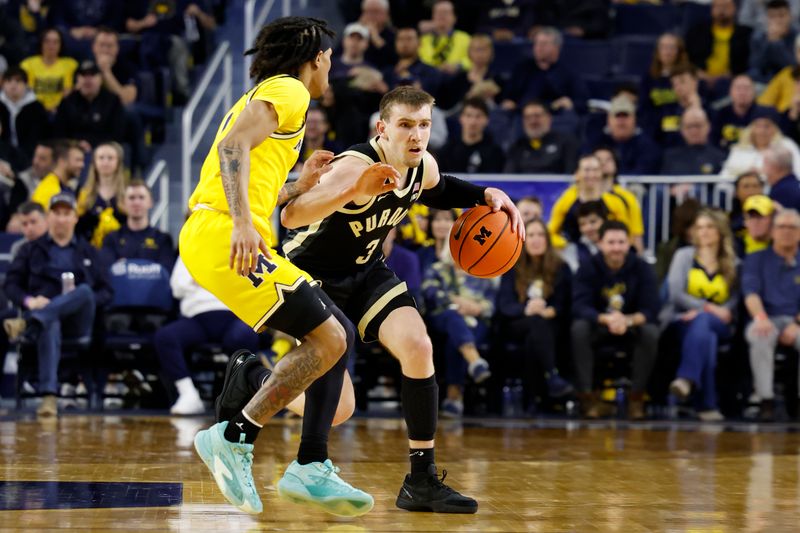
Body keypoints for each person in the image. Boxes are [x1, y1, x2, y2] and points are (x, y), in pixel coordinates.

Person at [277, 85, 523, 512]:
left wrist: (484, 195)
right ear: (383, 128)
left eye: (423, 125)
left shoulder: (421, 165)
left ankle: (421, 480)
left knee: (418, 345)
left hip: (366, 268)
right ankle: (260, 387)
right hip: (309, 273)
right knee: (341, 410)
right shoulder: (354, 166)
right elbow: (291, 215)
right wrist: (354, 192)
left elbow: (439, 188)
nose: (416, 135)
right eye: (406, 125)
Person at [182, 17, 379, 516]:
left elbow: (254, 176)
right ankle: (235, 436)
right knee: (333, 337)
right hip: (224, 232)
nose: (331, 64)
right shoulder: (291, 90)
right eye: (329, 56)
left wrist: (300, 185)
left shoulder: (273, 98)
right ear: (315, 57)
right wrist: (244, 224)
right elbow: (231, 150)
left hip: (221, 231)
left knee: (334, 335)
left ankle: (309, 461)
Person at [2, 192, 112, 417]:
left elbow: (107, 292)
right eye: (57, 213)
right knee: (49, 321)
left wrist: (80, 300)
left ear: (75, 218)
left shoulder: (89, 251)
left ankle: (28, 323)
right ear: (49, 217)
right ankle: (49, 397)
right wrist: (29, 301)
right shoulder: (30, 250)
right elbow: (11, 285)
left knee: (84, 291)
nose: (61, 218)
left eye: (66, 213)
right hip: (47, 319)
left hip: (79, 321)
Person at [571, 221, 660, 420]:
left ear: (629, 243)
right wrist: (607, 319)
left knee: (651, 332)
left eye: (621, 242)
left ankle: (637, 399)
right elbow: (579, 306)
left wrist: (626, 321)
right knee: (579, 329)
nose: (617, 248)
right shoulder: (588, 267)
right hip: (599, 325)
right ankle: (587, 398)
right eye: (611, 242)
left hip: (630, 327)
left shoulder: (642, 267)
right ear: (601, 243)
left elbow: (651, 308)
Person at [155, 255, 260, 415]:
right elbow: (177, 287)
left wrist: (202, 279)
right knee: (165, 337)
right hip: (197, 317)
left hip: (234, 314)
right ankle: (188, 394)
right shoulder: (189, 249)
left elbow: (253, 284)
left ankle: (236, 396)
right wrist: (219, 280)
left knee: (246, 336)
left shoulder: (241, 247)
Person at [664, 209, 738, 422]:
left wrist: (714, 311)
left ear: (720, 231)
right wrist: (706, 308)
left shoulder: (733, 263)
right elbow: (675, 292)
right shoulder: (683, 256)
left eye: (709, 227)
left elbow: (734, 299)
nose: (704, 232)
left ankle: (687, 379)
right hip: (683, 320)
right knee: (706, 336)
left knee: (705, 324)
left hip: (721, 322)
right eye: (699, 227)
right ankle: (706, 405)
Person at [497, 217, 573, 408]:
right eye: (530, 235)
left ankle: (533, 398)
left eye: (540, 235)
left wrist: (551, 310)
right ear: (523, 239)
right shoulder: (511, 266)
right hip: (517, 322)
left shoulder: (561, 267)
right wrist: (527, 309)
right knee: (535, 323)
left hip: (549, 322)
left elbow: (566, 302)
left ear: (547, 239)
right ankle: (551, 378)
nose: (536, 239)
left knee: (535, 336)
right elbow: (504, 304)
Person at [742, 208, 800, 421]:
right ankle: (765, 400)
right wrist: (761, 318)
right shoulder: (756, 259)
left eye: (792, 227)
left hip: (796, 320)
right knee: (760, 334)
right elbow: (751, 294)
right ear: (773, 231)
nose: (786, 232)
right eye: (781, 227)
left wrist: (796, 323)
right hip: (766, 317)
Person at [547, 154, 632, 249]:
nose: (591, 175)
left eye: (595, 170)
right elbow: (550, 232)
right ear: (577, 174)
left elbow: (626, 232)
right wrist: (565, 244)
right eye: (587, 170)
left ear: (601, 173)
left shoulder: (615, 202)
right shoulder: (565, 201)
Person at [100, 180, 174, 272]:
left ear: (150, 202)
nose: (136, 202)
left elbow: (166, 273)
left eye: (141, 197)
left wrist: (125, 266)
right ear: (123, 203)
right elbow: (107, 271)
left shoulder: (163, 240)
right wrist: (150, 268)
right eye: (131, 198)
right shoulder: (112, 239)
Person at [53, 60, 126, 149]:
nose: (87, 79)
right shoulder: (67, 102)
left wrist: (93, 144)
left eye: (92, 75)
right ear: (77, 79)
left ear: (101, 78)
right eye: (83, 75)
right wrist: (76, 144)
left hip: (104, 150)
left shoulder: (113, 101)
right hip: (72, 150)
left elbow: (117, 134)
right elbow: (59, 134)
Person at [685, 0, 752, 90]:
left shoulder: (746, 34)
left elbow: (748, 62)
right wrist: (700, 74)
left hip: (733, 81)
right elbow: (686, 57)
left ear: (735, 9)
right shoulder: (697, 32)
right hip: (699, 79)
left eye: (726, 6)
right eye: (718, 6)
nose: (722, 10)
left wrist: (731, 74)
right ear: (712, 9)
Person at [720, 107, 800, 179]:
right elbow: (724, 177)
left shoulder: (786, 146)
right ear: (751, 128)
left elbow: (798, 173)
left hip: (778, 193)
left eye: (767, 126)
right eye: (757, 125)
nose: (761, 131)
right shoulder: (739, 149)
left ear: (775, 129)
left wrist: (763, 175)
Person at [503, 100, 577, 174]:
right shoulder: (517, 147)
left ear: (549, 118)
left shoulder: (566, 143)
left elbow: (570, 175)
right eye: (528, 117)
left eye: (537, 116)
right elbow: (509, 178)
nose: (533, 121)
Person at [76, 142, 127, 248]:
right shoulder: (83, 193)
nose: (105, 162)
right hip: (90, 251)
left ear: (118, 162)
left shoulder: (127, 194)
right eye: (101, 158)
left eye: (110, 158)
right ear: (94, 162)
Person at [437, 97, 504, 173]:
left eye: (478, 116)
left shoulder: (495, 153)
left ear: (486, 120)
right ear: (461, 118)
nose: (473, 122)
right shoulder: (447, 151)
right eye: (468, 116)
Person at [19, 28, 78, 112]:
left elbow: (71, 91)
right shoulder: (27, 64)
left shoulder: (71, 64)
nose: (51, 45)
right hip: (35, 111)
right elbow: (27, 91)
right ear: (41, 43)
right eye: (47, 41)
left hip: (62, 111)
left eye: (55, 42)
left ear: (61, 45)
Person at [0, 65, 49, 161]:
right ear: (3, 84)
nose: (13, 85)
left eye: (18, 81)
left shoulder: (36, 107)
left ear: (26, 84)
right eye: (9, 81)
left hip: (30, 156)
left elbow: (40, 136)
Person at [660, 107, 726, 176]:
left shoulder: (720, 158)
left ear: (708, 126)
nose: (694, 131)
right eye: (689, 126)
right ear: (682, 129)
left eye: (698, 125)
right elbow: (661, 184)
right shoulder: (670, 157)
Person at [711, 74, 770, 150]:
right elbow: (713, 142)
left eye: (746, 88)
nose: (742, 92)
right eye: (738, 88)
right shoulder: (721, 114)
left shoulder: (764, 114)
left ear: (754, 92)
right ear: (730, 92)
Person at [747, 0, 796, 83]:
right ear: (766, 19)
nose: (777, 21)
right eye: (772, 16)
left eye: (781, 16)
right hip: (765, 83)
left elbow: (794, 68)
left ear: (790, 16)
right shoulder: (758, 37)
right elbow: (755, 67)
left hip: (792, 83)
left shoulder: (797, 36)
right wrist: (769, 43)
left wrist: (777, 42)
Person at [418, 0, 471, 74]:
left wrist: (458, 66)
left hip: (456, 78)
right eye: (438, 13)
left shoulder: (465, 38)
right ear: (433, 17)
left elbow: (474, 59)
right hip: (428, 80)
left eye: (445, 12)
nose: (441, 16)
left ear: (454, 18)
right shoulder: (422, 40)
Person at [31, 139, 84, 209]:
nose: (82, 165)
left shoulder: (65, 187)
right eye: (78, 160)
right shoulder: (49, 190)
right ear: (62, 161)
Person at [560, 200, 606, 273]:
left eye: (593, 222)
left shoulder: (619, 245)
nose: (588, 228)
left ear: (604, 221)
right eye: (583, 224)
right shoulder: (573, 250)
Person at [735, 194, 774, 258]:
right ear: (745, 221)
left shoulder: (781, 247)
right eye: (751, 217)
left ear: (772, 219)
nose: (755, 222)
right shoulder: (734, 246)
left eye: (760, 217)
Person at [763, 144, 800, 211]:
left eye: (765, 164)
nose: (762, 170)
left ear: (774, 167)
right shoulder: (794, 185)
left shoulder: (782, 193)